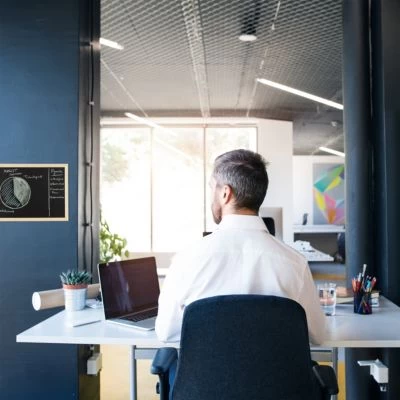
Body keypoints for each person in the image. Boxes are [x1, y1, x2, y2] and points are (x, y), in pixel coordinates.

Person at [155, 149, 326, 345]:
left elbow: (165, 332)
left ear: (225, 193)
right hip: (274, 366)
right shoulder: (295, 263)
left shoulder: (187, 259)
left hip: (207, 365)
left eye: (212, 188)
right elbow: (318, 335)